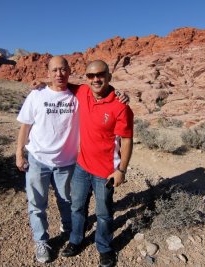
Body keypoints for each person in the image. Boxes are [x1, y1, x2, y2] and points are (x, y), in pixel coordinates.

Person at [16, 56, 128, 264]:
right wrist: (19, 153)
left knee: (71, 203)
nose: (59, 74)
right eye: (54, 70)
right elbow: (25, 125)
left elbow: (98, 86)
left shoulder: (77, 94)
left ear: (69, 71)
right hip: (39, 159)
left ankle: (77, 235)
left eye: (63, 70)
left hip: (68, 162)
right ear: (48, 72)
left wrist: (117, 92)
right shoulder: (37, 94)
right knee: (37, 204)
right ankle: (44, 241)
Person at [61, 60, 134, 267]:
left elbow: (127, 140)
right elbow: (61, 84)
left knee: (103, 212)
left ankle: (104, 247)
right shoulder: (82, 92)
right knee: (77, 207)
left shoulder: (120, 106)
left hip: (106, 172)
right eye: (90, 76)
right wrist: (41, 84)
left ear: (109, 76)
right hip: (81, 166)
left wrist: (121, 170)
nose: (95, 79)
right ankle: (76, 240)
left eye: (100, 74)